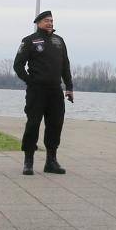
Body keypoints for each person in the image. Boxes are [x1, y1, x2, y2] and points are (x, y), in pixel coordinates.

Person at [14, 10, 74, 174]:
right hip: (36, 91)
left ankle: (51, 161)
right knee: (33, 124)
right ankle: (28, 161)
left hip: (55, 91)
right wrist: (29, 80)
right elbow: (18, 66)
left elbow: (65, 66)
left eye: (52, 20)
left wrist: (69, 87)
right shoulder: (30, 41)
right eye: (47, 20)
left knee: (55, 125)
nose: (50, 23)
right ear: (38, 23)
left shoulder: (59, 41)